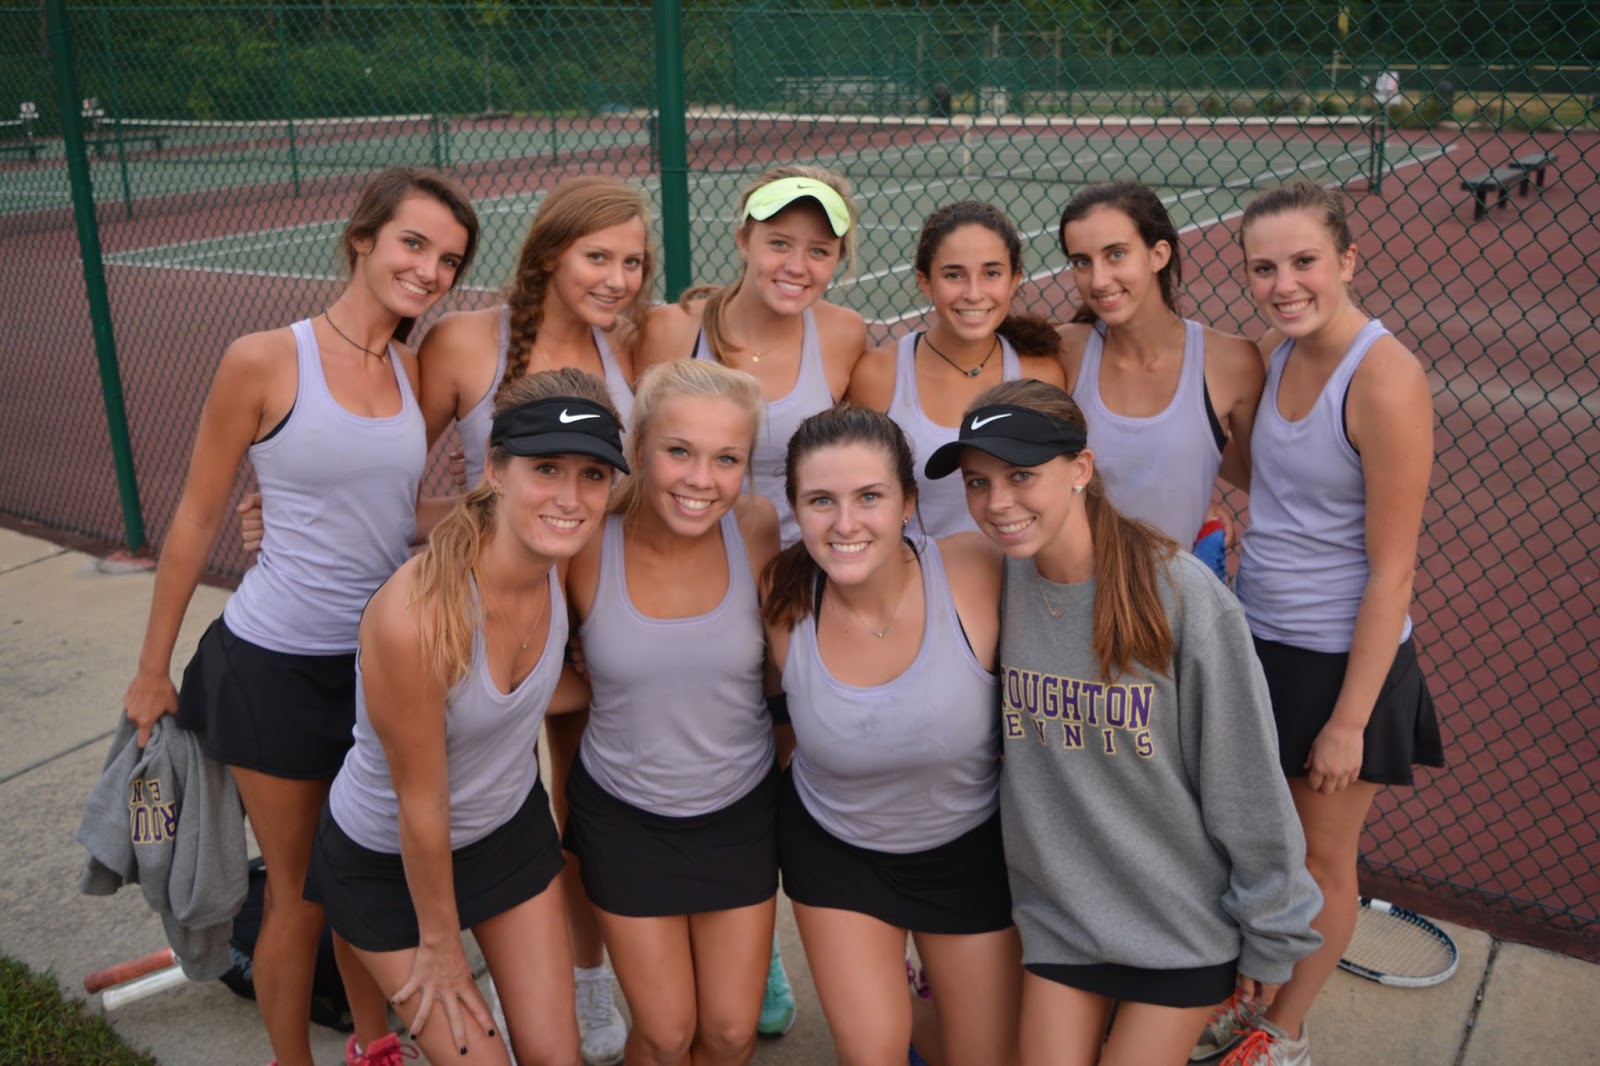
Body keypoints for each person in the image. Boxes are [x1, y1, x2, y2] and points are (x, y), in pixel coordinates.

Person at [121, 166, 479, 1066]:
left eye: (449, 260)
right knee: (300, 892)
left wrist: (489, 510)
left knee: (359, 877)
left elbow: (394, 512)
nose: (429, 270)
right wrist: (151, 666)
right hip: (273, 665)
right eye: (413, 243)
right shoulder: (265, 358)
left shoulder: (409, 366)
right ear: (363, 238)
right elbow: (200, 515)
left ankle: (371, 1044)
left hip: (374, 669)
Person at [925, 380, 1323, 1066]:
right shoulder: (990, 587)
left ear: (1080, 469)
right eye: (977, 483)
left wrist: (1271, 930)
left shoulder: (1180, 596)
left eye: (1022, 476)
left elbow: (1246, 779)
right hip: (1064, 922)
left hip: (1180, 923)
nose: (997, 504)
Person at [305, 369, 628, 1066]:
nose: (570, 499)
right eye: (546, 469)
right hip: (391, 862)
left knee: (555, 1056)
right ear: (495, 470)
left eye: (592, 475)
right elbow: (422, 804)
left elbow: (534, 695)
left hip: (505, 830)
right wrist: (443, 950)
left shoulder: (561, 561)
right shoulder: (415, 617)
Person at [1202, 181, 1442, 1066]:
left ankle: (1282, 1034)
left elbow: (1394, 568)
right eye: (1263, 268)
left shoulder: (1386, 378)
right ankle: (1249, 994)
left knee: (1319, 861)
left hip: (1342, 661)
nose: (1283, 283)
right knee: (1254, 845)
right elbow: (1254, 472)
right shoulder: (1276, 348)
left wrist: (1348, 721)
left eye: (1304, 262)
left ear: (1346, 260)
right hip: (1255, 637)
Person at [420, 174, 652, 1065]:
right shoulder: (463, 345)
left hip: (596, 608)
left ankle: (583, 976)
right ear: (550, 253)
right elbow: (398, 489)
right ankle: (448, 954)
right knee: (473, 794)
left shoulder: (634, 341)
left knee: (580, 801)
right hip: (488, 607)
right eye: (599, 257)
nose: (618, 278)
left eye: (634, 261)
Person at [635, 164, 870, 1033]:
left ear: (838, 261)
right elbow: (640, 455)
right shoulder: (669, 327)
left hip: (788, 585)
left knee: (772, 751)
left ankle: (753, 940)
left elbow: (874, 458)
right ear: (742, 241)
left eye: (818, 250)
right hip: (684, 569)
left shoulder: (845, 338)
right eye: (779, 242)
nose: (796, 264)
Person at [762, 406, 1022, 1066]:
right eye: (820, 500)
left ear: (908, 501)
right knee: (874, 1051)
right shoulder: (782, 598)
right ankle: (892, 985)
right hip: (839, 851)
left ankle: (923, 991)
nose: (845, 524)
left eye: (869, 497)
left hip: (967, 852)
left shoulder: (976, 570)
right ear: (794, 506)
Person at [560, 360, 782, 1066]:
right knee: (663, 1034)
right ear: (638, 449)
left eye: (727, 459)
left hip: (739, 812)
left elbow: (782, 664)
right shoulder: (589, 540)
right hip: (626, 817)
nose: (700, 479)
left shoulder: (756, 527)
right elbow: (525, 658)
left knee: (727, 1034)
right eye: (679, 451)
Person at [1055, 181, 1263, 550]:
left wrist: (1200, 498)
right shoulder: (1065, 351)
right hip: (1076, 592)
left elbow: (1260, 477)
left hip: (1175, 599)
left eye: (1116, 254)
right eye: (1082, 262)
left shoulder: (1232, 363)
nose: (1099, 280)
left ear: (1158, 255)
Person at [847, 200, 1065, 538]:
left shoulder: (1042, 376)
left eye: (991, 273)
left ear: (1014, 280)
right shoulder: (878, 375)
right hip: (917, 580)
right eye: (954, 275)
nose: (974, 293)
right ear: (925, 282)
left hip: (1017, 578)